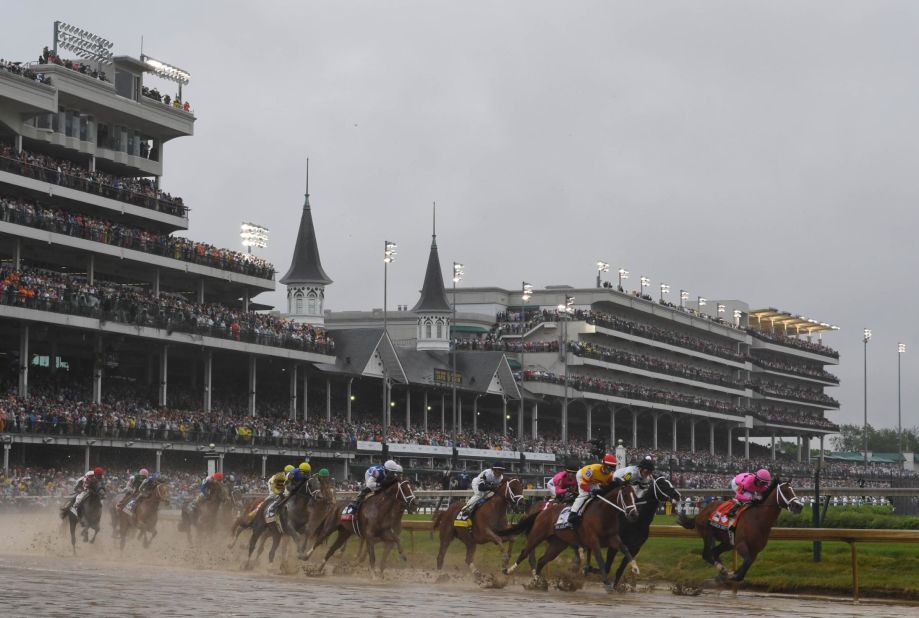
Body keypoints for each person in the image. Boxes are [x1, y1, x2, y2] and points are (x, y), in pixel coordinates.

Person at [568, 453, 617, 526]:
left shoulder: (610, 476)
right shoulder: (592, 470)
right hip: (582, 477)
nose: (610, 470)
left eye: (612, 468)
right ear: (603, 465)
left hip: (594, 480)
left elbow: (608, 487)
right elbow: (583, 485)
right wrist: (590, 491)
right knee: (585, 494)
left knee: (599, 496)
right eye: (609, 468)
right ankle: (572, 513)